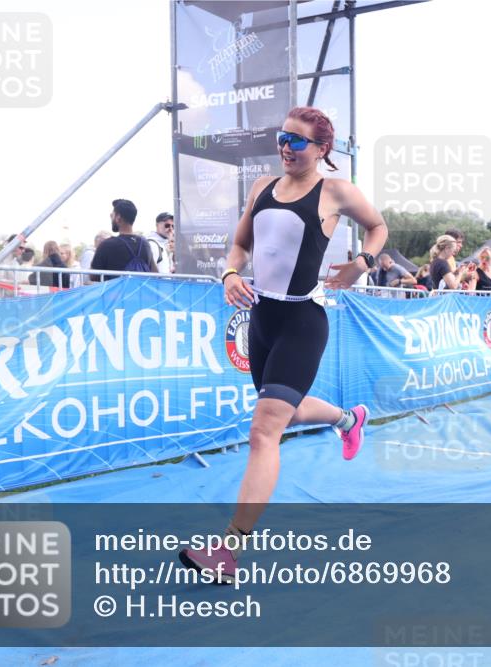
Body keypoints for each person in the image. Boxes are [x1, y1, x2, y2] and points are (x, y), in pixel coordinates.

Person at [178, 106, 388, 582]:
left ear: (321, 150)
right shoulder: (261, 188)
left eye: (297, 142)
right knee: (283, 411)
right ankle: (346, 417)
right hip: (262, 319)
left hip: (302, 320)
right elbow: (240, 246)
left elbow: (378, 227)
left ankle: (228, 551)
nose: (286, 148)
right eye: (282, 138)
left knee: (263, 432)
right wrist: (230, 272)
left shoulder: (335, 191)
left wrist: (362, 263)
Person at [90, 199, 159, 281]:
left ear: (118, 218)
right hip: (139, 293)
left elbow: (93, 276)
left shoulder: (107, 245)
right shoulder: (144, 243)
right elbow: (155, 272)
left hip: (117, 293)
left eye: (112, 215)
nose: (111, 217)